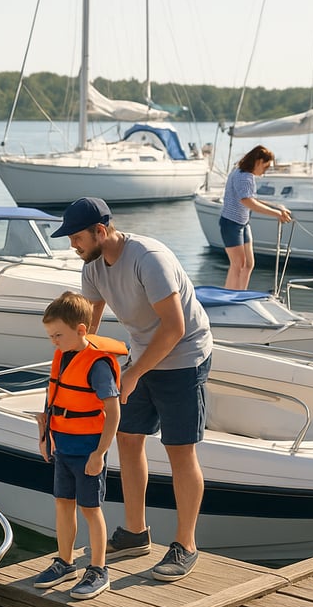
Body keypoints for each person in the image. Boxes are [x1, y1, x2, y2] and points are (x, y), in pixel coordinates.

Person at [51, 197, 213, 583]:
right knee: (126, 437)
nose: (72, 245)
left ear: (100, 232)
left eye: (76, 237)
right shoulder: (92, 268)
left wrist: (134, 373)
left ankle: (186, 545)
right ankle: (136, 532)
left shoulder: (148, 258)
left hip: (184, 356)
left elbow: (173, 328)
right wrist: (74, 371)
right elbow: (86, 330)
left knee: (179, 449)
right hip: (142, 356)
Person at [32, 292, 122, 601]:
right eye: (49, 335)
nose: (53, 341)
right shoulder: (62, 355)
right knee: (62, 504)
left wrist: (99, 454)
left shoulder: (97, 365)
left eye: (57, 334)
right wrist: (45, 437)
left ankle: (98, 569)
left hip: (88, 451)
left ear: (81, 330)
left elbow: (114, 411)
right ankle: (65, 561)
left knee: (91, 508)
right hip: (63, 447)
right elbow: (53, 397)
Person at [220, 145, 292, 290]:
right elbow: (247, 201)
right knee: (238, 264)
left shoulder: (244, 173)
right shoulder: (244, 176)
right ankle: (229, 296)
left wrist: (276, 206)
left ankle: (240, 294)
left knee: (248, 264)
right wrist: (277, 214)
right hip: (231, 224)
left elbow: (252, 199)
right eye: (266, 167)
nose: (265, 171)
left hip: (243, 224)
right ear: (258, 161)